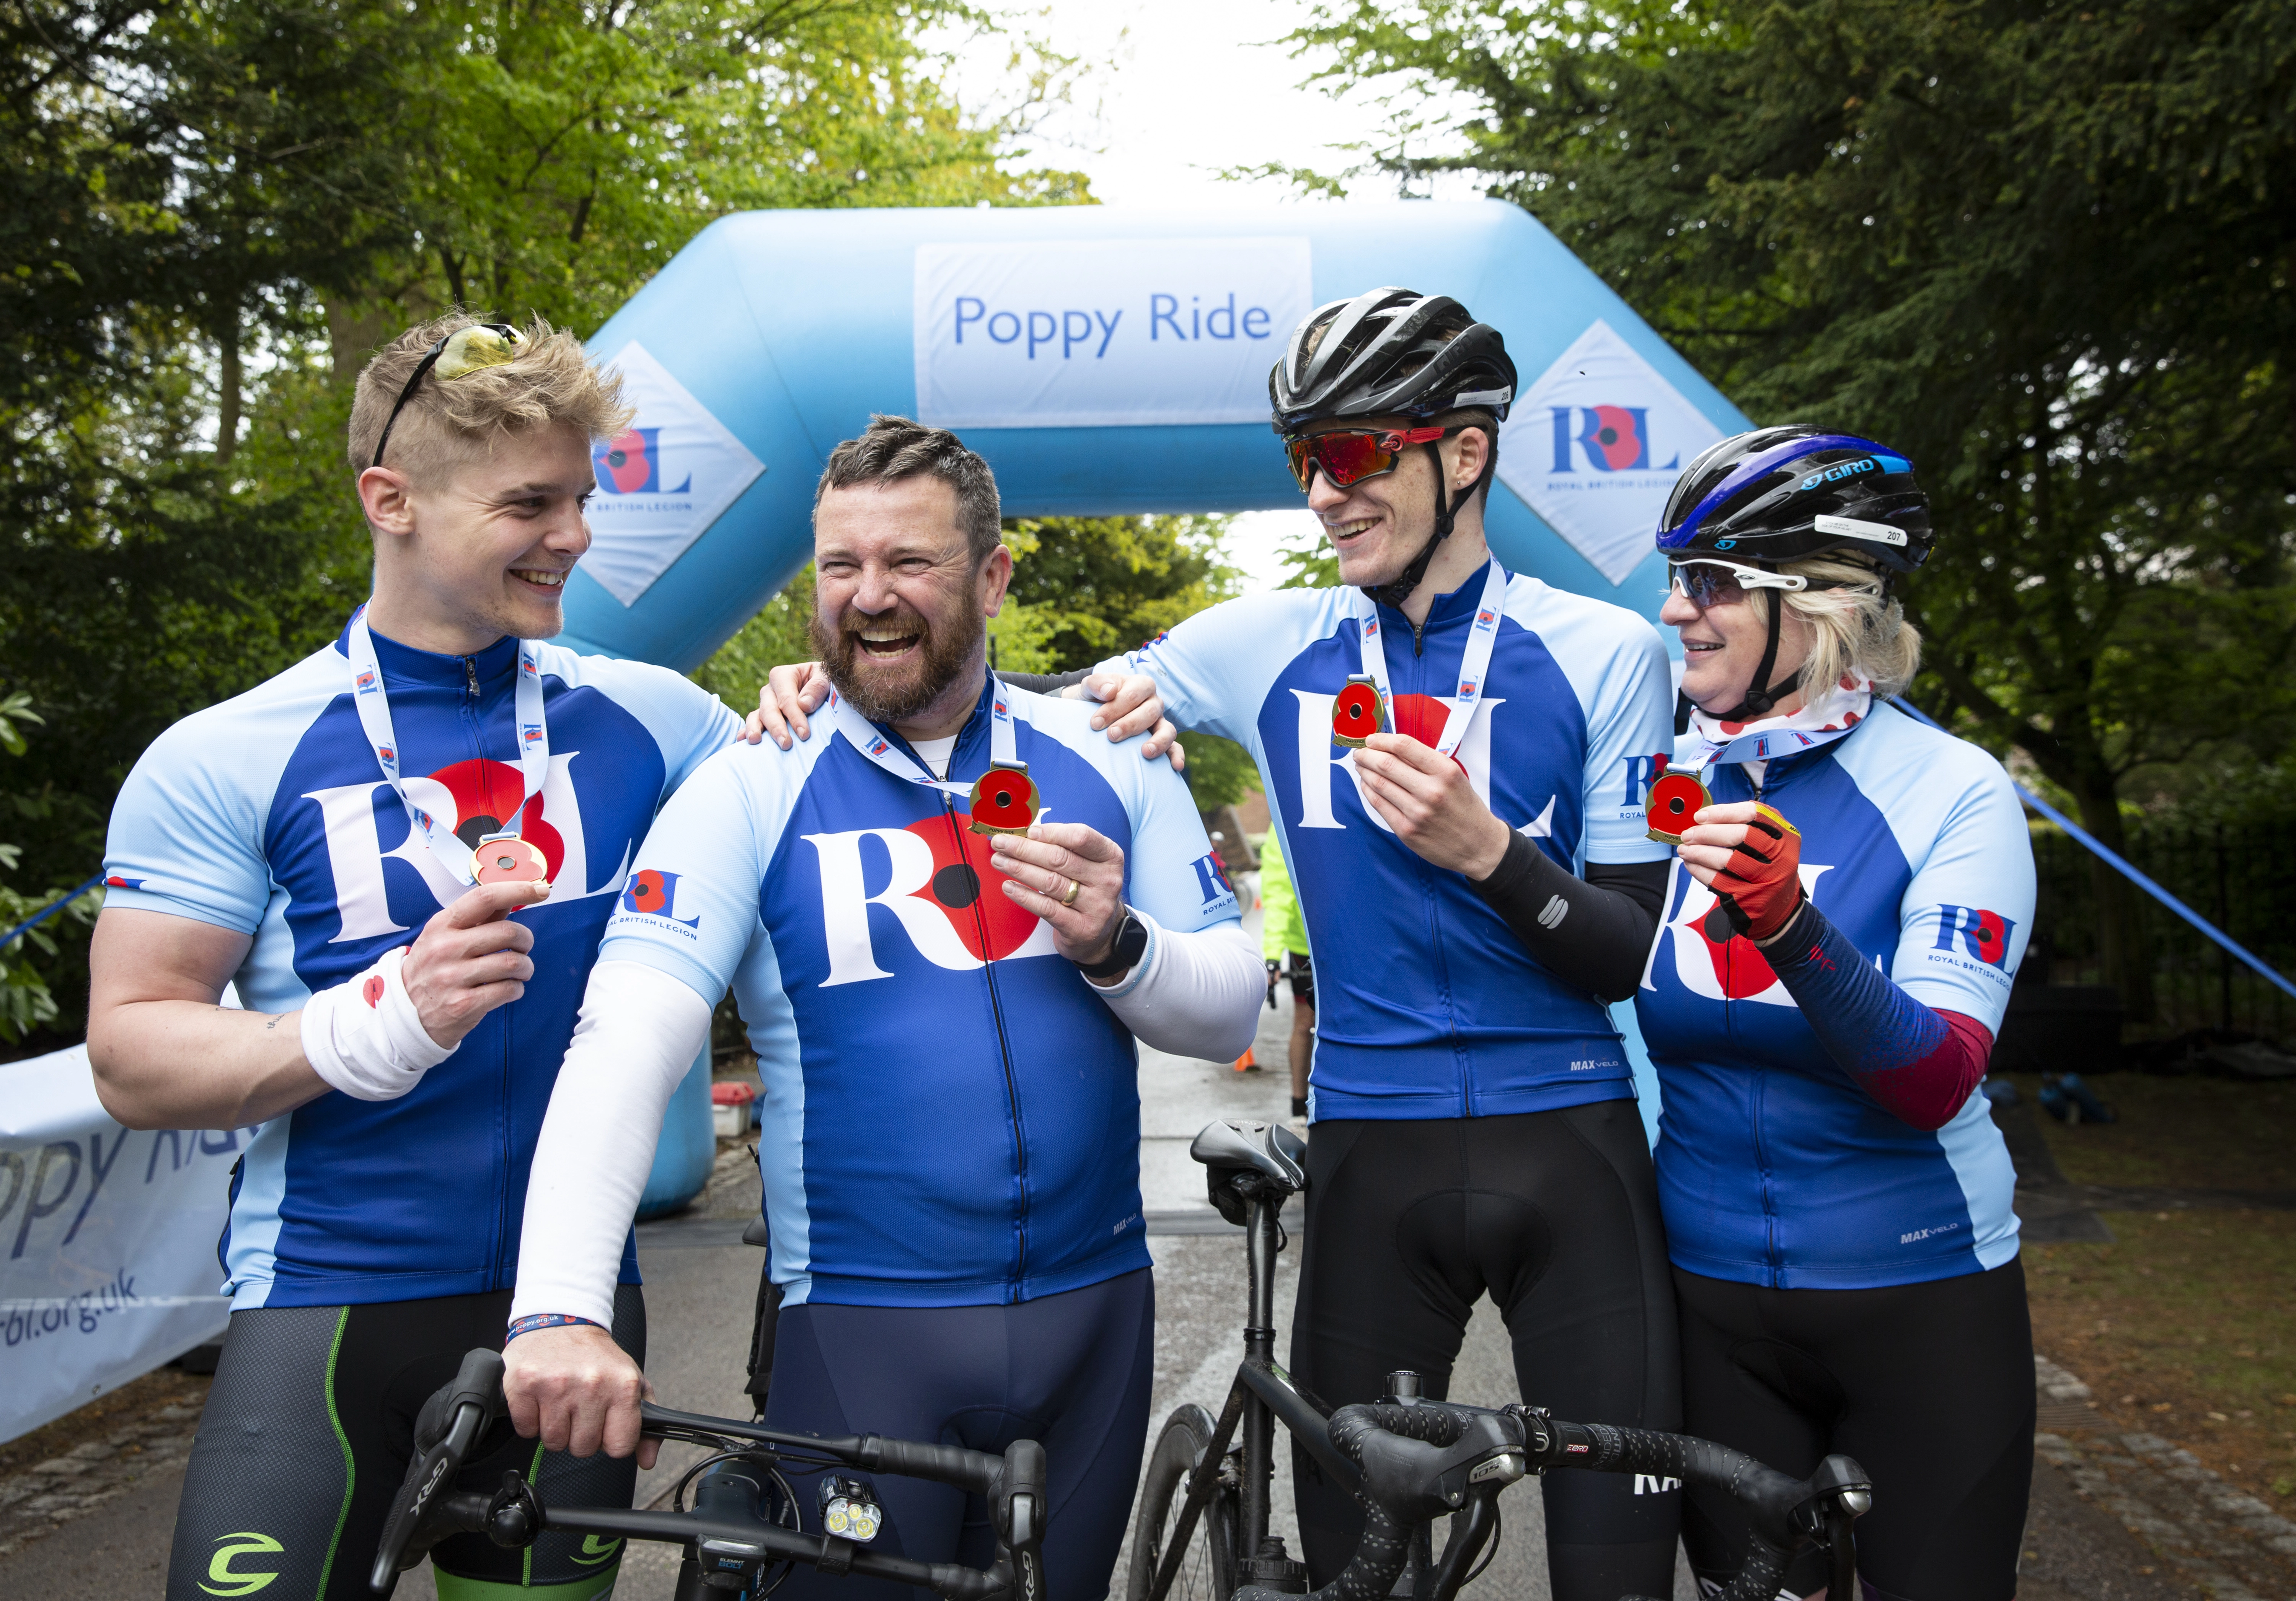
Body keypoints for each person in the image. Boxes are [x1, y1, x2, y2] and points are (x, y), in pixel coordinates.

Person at [751, 289, 1687, 1599]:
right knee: (1360, 1569)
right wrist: (830, 673)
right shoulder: (1266, 641)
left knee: (1623, 1570)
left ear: (1464, 452)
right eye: (1306, 459)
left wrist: (1492, 853)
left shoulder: (1608, 652)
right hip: (1374, 1161)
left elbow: (1633, 955)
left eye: (1357, 454)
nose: (1324, 492)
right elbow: (997, 703)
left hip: (1574, 1146)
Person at [499, 415, 1265, 1601]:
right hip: (864, 1332)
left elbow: (1222, 1018)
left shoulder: (1111, 751)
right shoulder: (753, 779)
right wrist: (557, 1306)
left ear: (992, 577)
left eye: (907, 562)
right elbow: (624, 1041)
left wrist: (1115, 943)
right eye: (840, 568)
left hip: (1096, 1316)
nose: (868, 599)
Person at [88, 315, 752, 1601]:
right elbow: (133, 1049)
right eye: (530, 502)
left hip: (573, 1313)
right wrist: (367, 1023)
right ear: (389, 499)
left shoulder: (655, 718)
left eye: (580, 495)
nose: (574, 534)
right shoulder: (231, 750)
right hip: (332, 1312)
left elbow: (841, 785)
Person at [1635, 425, 2036, 1599]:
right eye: (1672, 581)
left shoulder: (1950, 790)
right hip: (1710, 1308)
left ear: (1814, 606)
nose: (1674, 613)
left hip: (1918, 1300)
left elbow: (1934, 1076)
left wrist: (1791, 930)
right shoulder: (1659, 776)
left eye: (1708, 584)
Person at [1257, 826, 1315, 1126]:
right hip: (1302, 945)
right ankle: (1299, 1105)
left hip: (1345, 936)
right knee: (1305, 1023)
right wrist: (1272, 955)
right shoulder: (1281, 824)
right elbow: (1278, 892)